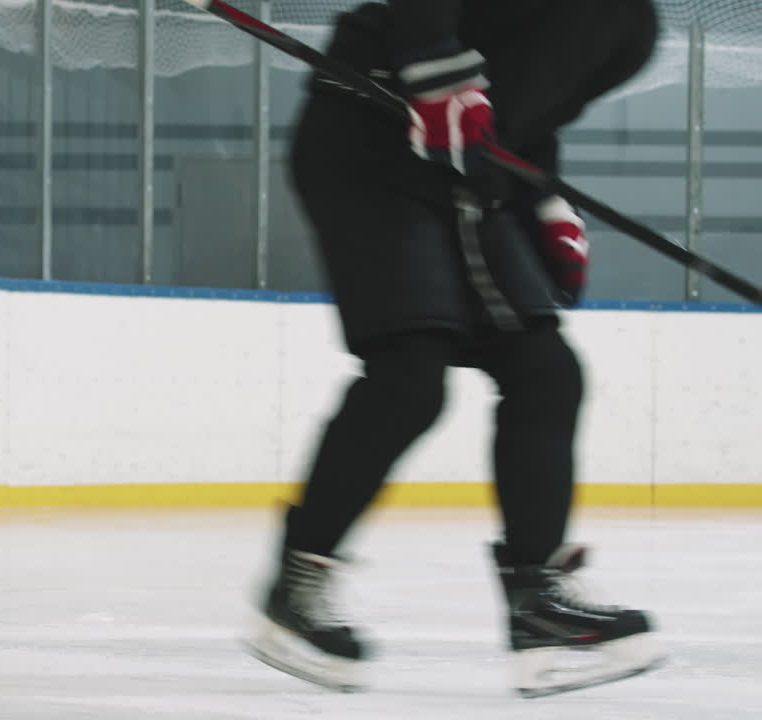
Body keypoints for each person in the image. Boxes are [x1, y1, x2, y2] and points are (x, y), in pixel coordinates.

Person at [245, 0, 664, 699]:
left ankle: (537, 599)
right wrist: (436, 70)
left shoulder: (631, 30)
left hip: (461, 166)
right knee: (410, 376)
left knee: (546, 370)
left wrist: (545, 207)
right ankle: (298, 585)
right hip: (368, 130)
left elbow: (529, 120)